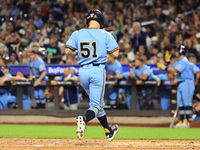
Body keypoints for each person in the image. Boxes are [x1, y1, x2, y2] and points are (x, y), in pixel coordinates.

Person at [65, 9, 119, 141]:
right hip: (97, 71)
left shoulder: (77, 33)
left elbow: (67, 51)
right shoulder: (105, 34)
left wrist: (79, 52)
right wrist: (103, 52)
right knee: (95, 105)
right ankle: (83, 119)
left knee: (98, 104)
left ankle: (108, 130)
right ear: (100, 21)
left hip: (82, 72)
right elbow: (115, 54)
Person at [157, 45, 194, 128]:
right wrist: (167, 62)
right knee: (180, 103)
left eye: (177, 51)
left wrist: (164, 67)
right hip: (181, 82)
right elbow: (173, 70)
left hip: (187, 81)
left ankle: (186, 122)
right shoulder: (179, 61)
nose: (176, 52)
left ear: (181, 51)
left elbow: (174, 71)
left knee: (187, 102)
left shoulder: (184, 61)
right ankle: (181, 121)